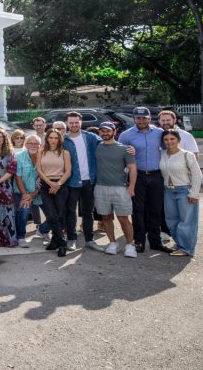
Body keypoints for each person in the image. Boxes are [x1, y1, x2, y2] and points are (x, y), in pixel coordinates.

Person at [117, 107, 172, 253]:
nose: (141, 120)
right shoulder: (126, 135)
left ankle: (155, 242)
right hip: (137, 176)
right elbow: (119, 155)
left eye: (144, 118)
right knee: (138, 210)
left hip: (156, 175)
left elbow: (169, 148)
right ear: (134, 119)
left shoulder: (159, 133)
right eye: (138, 118)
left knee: (155, 210)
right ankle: (139, 241)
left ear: (149, 118)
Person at [93, 122, 138, 258]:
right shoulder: (96, 147)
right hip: (100, 187)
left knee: (123, 218)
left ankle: (130, 245)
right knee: (106, 217)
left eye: (108, 131)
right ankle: (112, 243)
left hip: (120, 188)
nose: (105, 133)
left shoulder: (124, 149)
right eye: (102, 131)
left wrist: (131, 187)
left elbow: (133, 168)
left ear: (114, 132)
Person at [159, 129, 203, 257]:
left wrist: (193, 193)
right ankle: (180, 244)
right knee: (171, 220)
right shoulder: (162, 154)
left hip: (184, 190)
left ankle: (186, 248)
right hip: (168, 191)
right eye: (166, 139)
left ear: (178, 140)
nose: (169, 142)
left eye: (172, 139)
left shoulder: (187, 155)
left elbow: (196, 174)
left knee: (187, 221)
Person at [63, 111, 102, 252]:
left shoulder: (91, 137)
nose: (74, 125)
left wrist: (127, 149)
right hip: (71, 181)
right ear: (67, 123)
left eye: (76, 122)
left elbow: (108, 145)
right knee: (70, 211)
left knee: (88, 212)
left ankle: (89, 240)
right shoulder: (62, 139)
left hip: (89, 181)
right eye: (71, 122)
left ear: (81, 122)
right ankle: (71, 239)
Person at [35, 129, 72, 258]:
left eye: (55, 138)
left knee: (60, 215)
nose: (53, 140)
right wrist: (50, 183)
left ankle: (55, 241)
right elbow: (39, 169)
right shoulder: (41, 151)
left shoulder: (65, 153)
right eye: (50, 137)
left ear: (59, 139)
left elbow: (68, 171)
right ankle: (62, 243)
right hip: (46, 185)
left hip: (60, 185)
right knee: (51, 215)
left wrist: (58, 184)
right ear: (47, 139)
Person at [14, 134, 43, 247]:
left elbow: (44, 177)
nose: (33, 145)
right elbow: (18, 177)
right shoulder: (18, 156)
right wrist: (26, 195)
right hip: (21, 192)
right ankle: (20, 237)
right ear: (25, 145)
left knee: (54, 213)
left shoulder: (43, 157)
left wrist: (34, 194)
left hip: (38, 192)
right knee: (24, 211)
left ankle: (43, 230)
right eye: (30, 143)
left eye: (36, 143)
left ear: (40, 146)